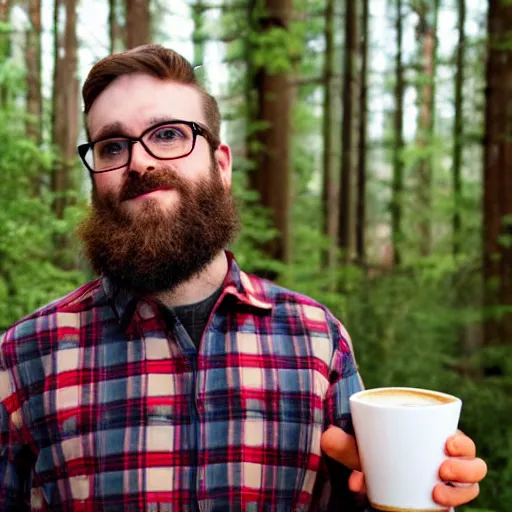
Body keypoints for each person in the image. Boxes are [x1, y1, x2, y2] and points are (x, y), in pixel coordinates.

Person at [0, 44, 486, 511]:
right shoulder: (26, 355)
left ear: (221, 164)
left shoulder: (316, 340)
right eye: (112, 145)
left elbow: (366, 497)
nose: (140, 161)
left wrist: (424, 494)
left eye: (168, 134)